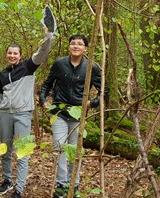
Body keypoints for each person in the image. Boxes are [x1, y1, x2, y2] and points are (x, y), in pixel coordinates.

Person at [39, 34, 108, 198]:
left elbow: (104, 90)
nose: (76, 46)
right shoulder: (59, 64)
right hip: (59, 113)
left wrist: (93, 103)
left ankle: (74, 185)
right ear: (69, 47)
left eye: (80, 44)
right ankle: (61, 185)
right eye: (73, 44)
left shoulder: (92, 67)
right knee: (59, 147)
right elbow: (47, 84)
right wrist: (43, 100)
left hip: (79, 115)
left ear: (85, 48)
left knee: (76, 152)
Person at [0, 28, 54, 198]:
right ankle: (6, 180)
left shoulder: (28, 67)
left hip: (23, 114)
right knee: (5, 149)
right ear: (7, 55)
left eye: (15, 53)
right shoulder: (3, 74)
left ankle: (19, 188)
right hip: (5, 114)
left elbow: (42, 52)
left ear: (20, 55)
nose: (12, 55)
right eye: (9, 53)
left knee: (23, 151)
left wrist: (49, 36)